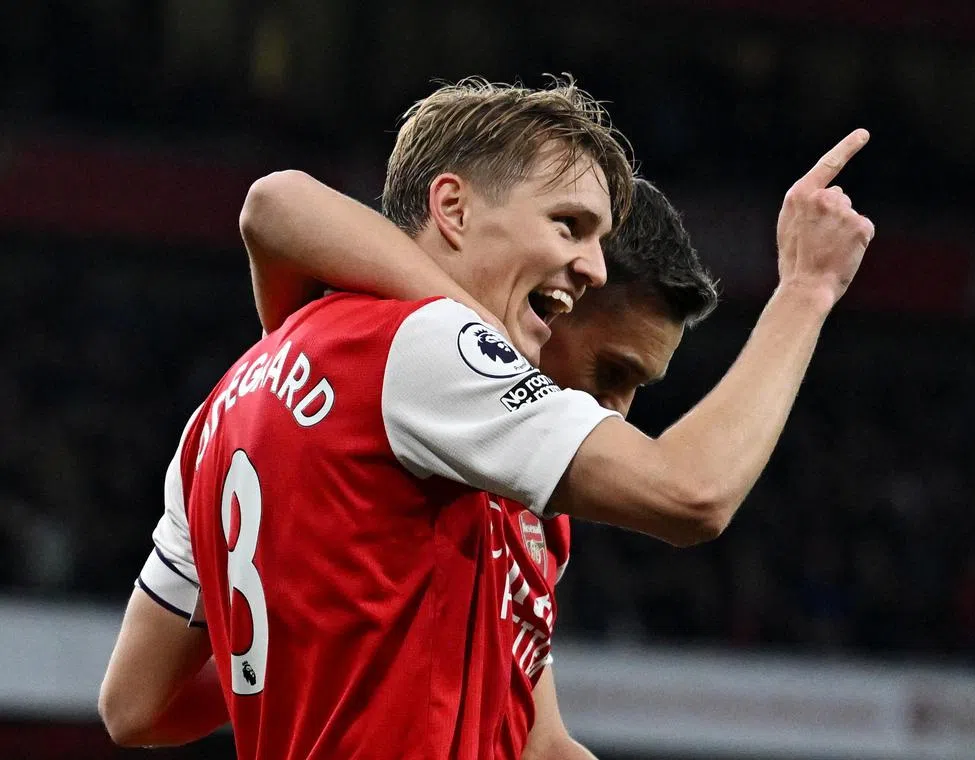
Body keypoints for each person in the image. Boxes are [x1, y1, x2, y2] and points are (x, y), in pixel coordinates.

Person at [100, 77, 875, 760]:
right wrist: (806, 289)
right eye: (568, 226)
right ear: (454, 208)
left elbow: (136, 704)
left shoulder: (226, 405)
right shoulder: (426, 349)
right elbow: (693, 493)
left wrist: (307, 658)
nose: (593, 266)